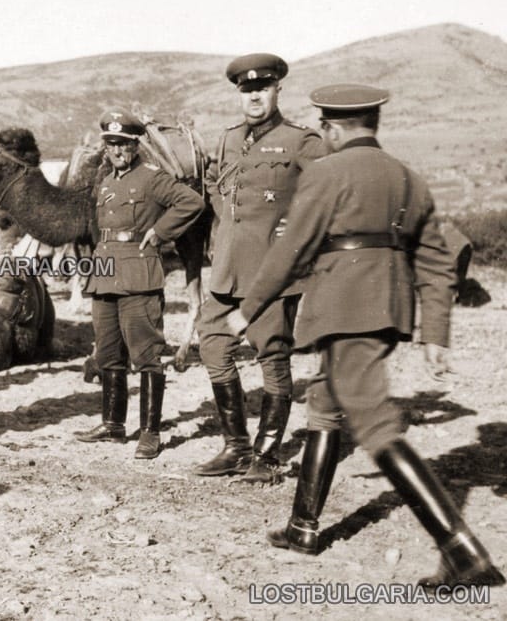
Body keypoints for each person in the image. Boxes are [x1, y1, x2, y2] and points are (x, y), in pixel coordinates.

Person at [227, 84, 504, 588]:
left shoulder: (326, 171)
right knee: (326, 405)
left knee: (375, 426)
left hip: (343, 308)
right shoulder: (408, 178)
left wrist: (246, 310)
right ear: (372, 124)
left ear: (331, 128)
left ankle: (463, 553)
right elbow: (440, 260)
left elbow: (292, 250)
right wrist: (435, 332)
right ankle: (302, 528)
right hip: (388, 309)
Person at [194, 53, 329, 482]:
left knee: (271, 356)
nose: (254, 96)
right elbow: (218, 189)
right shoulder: (229, 139)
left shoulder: (301, 141)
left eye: (262, 88)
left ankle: (267, 456)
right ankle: (235, 447)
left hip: (272, 271)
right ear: (240, 94)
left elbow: (327, 194)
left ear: (276, 90)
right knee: (212, 345)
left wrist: (294, 227)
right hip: (227, 268)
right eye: (247, 90)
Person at [75, 108, 204, 458]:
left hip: (138, 274)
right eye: (111, 144)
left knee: (146, 355)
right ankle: (113, 424)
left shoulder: (151, 177)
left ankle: (150, 432)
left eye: (124, 144)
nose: (117, 151)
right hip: (104, 275)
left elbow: (191, 202)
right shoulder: (105, 183)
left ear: (135, 146)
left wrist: (160, 232)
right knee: (107, 352)